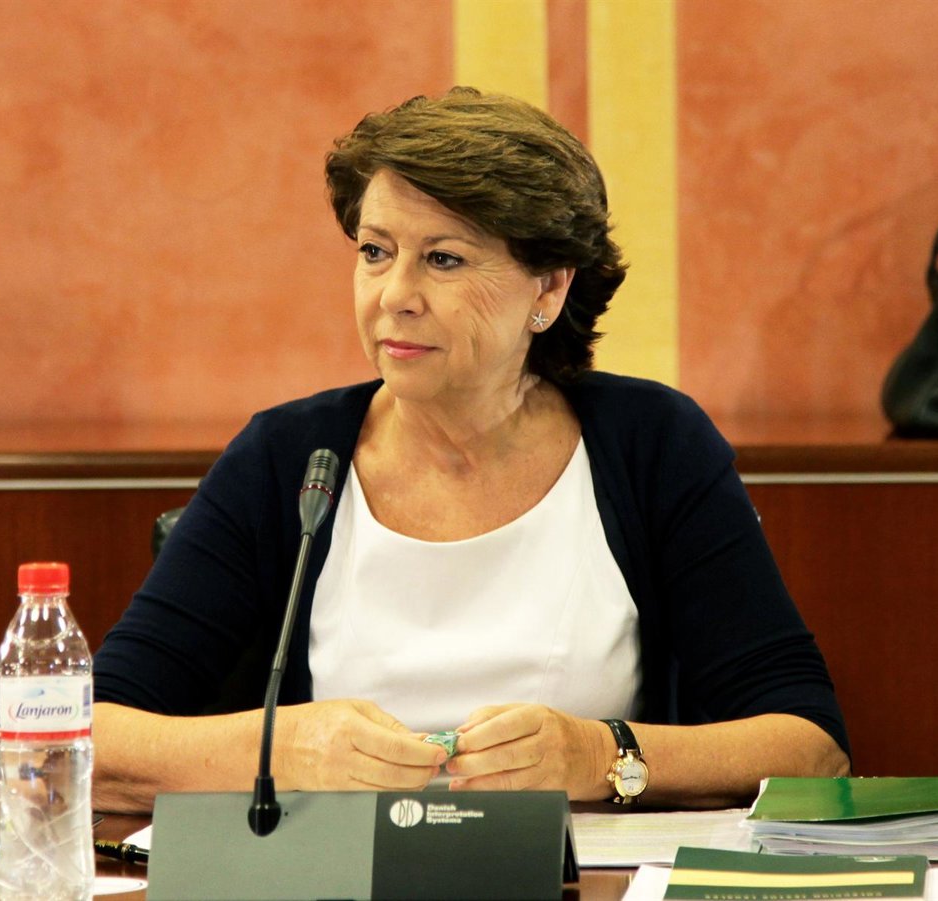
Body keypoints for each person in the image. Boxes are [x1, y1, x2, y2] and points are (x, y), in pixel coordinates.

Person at [92, 86, 850, 814]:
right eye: (375, 251)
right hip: (345, 875)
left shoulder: (652, 445)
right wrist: (279, 751)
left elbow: (810, 747)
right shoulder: (288, 459)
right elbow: (90, 736)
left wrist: (600, 755)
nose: (394, 295)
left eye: (444, 259)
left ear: (547, 289)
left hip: (578, 876)